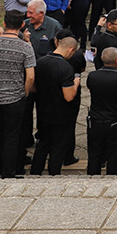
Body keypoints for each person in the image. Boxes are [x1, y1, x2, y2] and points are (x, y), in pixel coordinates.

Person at [0, 10, 36, 179]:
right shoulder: (25, 47)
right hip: (14, 97)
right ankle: (8, 172)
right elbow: (30, 76)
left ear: (4, 24)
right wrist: (24, 93)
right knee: (11, 137)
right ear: (22, 25)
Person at [30, 37, 81, 175]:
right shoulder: (65, 68)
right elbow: (69, 96)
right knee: (58, 146)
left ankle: (36, 171)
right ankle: (53, 174)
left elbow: (34, 87)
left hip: (43, 111)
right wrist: (76, 82)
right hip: (61, 114)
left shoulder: (40, 62)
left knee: (42, 143)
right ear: (70, 50)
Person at [85, 47, 117, 175]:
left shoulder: (92, 76)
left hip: (95, 119)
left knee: (94, 154)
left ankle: (92, 178)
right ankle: (112, 178)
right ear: (116, 60)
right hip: (114, 120)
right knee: (114, 154)